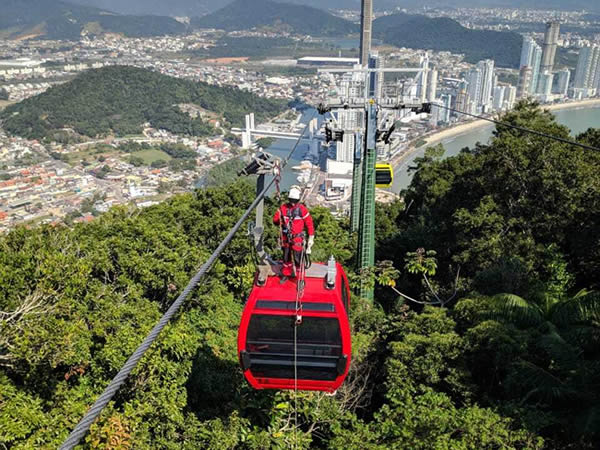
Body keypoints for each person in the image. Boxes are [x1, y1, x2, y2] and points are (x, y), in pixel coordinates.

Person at [273, 186, 314, 281]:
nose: (292, 203)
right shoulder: (300, 209)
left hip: (294, 238)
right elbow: (309, 225)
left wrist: (311, 238)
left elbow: (309, 225)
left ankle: (296, 277)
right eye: (292, 200)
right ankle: (293, 276)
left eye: (293, 201)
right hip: (290, 238)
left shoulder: (285, 208)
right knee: (289, 259)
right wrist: (311, 237)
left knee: (292, 258)